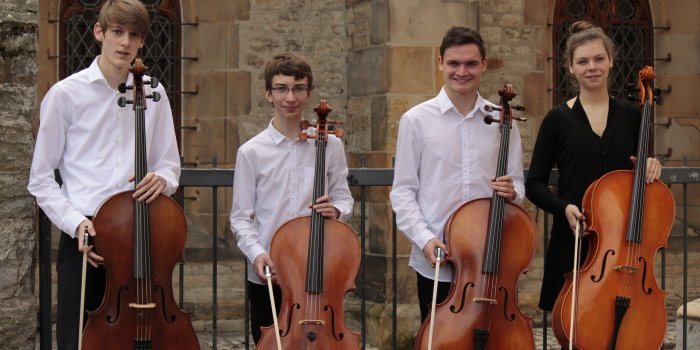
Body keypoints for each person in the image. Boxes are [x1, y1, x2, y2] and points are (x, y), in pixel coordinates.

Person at [27, 1, 181, 348]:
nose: (125, 42)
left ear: (142, 41)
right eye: (117, 32)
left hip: (140, 235)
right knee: (78, 340)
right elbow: (40, 178)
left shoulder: (154, 94)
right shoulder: (65, 95)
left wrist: (163, 180)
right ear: (99, 32)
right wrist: (75, 224)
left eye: (134, 34)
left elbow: (169, 165)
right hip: (86, 236)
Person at [389, 26, 525, 322]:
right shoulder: (416, 120)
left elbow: (518, 183)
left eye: (471, 64)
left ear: (484, 65)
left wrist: (513, 191)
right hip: (437, 257)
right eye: (453, 63)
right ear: (440, 63)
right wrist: (425, 240)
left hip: (488, 257)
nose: (461, 71)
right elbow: (403, 191)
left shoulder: (504, 121)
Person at [525, 20, 662, 313]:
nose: (592, 67)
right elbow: (534, 184)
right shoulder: (556, 120)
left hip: (623, 244)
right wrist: (563, 208)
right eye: (583, 61)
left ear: (611, 61)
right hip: (574, 240)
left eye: (599, 59)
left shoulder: (631, 116)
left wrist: (650, 164)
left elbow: (640, 170)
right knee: (573, 332)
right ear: (571, 67)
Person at [229, 52, 354, 344]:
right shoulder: (252, 151)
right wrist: (258, 254)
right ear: (268, 93)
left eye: (298, 88)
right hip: (270, 269)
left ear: (308, 94)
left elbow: (344, 199)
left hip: (318, 266)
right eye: (282, 88)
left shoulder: (330, 144)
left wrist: (336, 210)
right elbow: (240, 217)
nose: (290, 97)